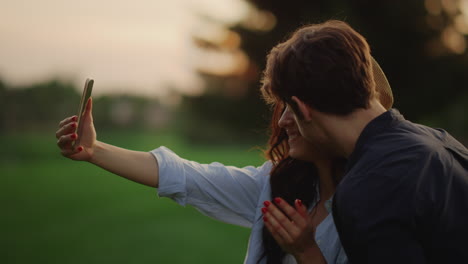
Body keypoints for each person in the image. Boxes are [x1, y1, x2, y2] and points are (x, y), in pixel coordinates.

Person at [55, 27, 393, 264]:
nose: (284, 121)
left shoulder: (379, 204)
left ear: (322, 113)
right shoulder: (277, 187)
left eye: (294, 107)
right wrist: (95, 151)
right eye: (282, 107)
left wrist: (306, 252)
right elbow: (187, 177)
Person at [261, 19, 468, 263]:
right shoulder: (441, 141)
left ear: (304, 110)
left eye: (289, 109)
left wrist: (307, 254)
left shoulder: (367, 188)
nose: (284, 122)